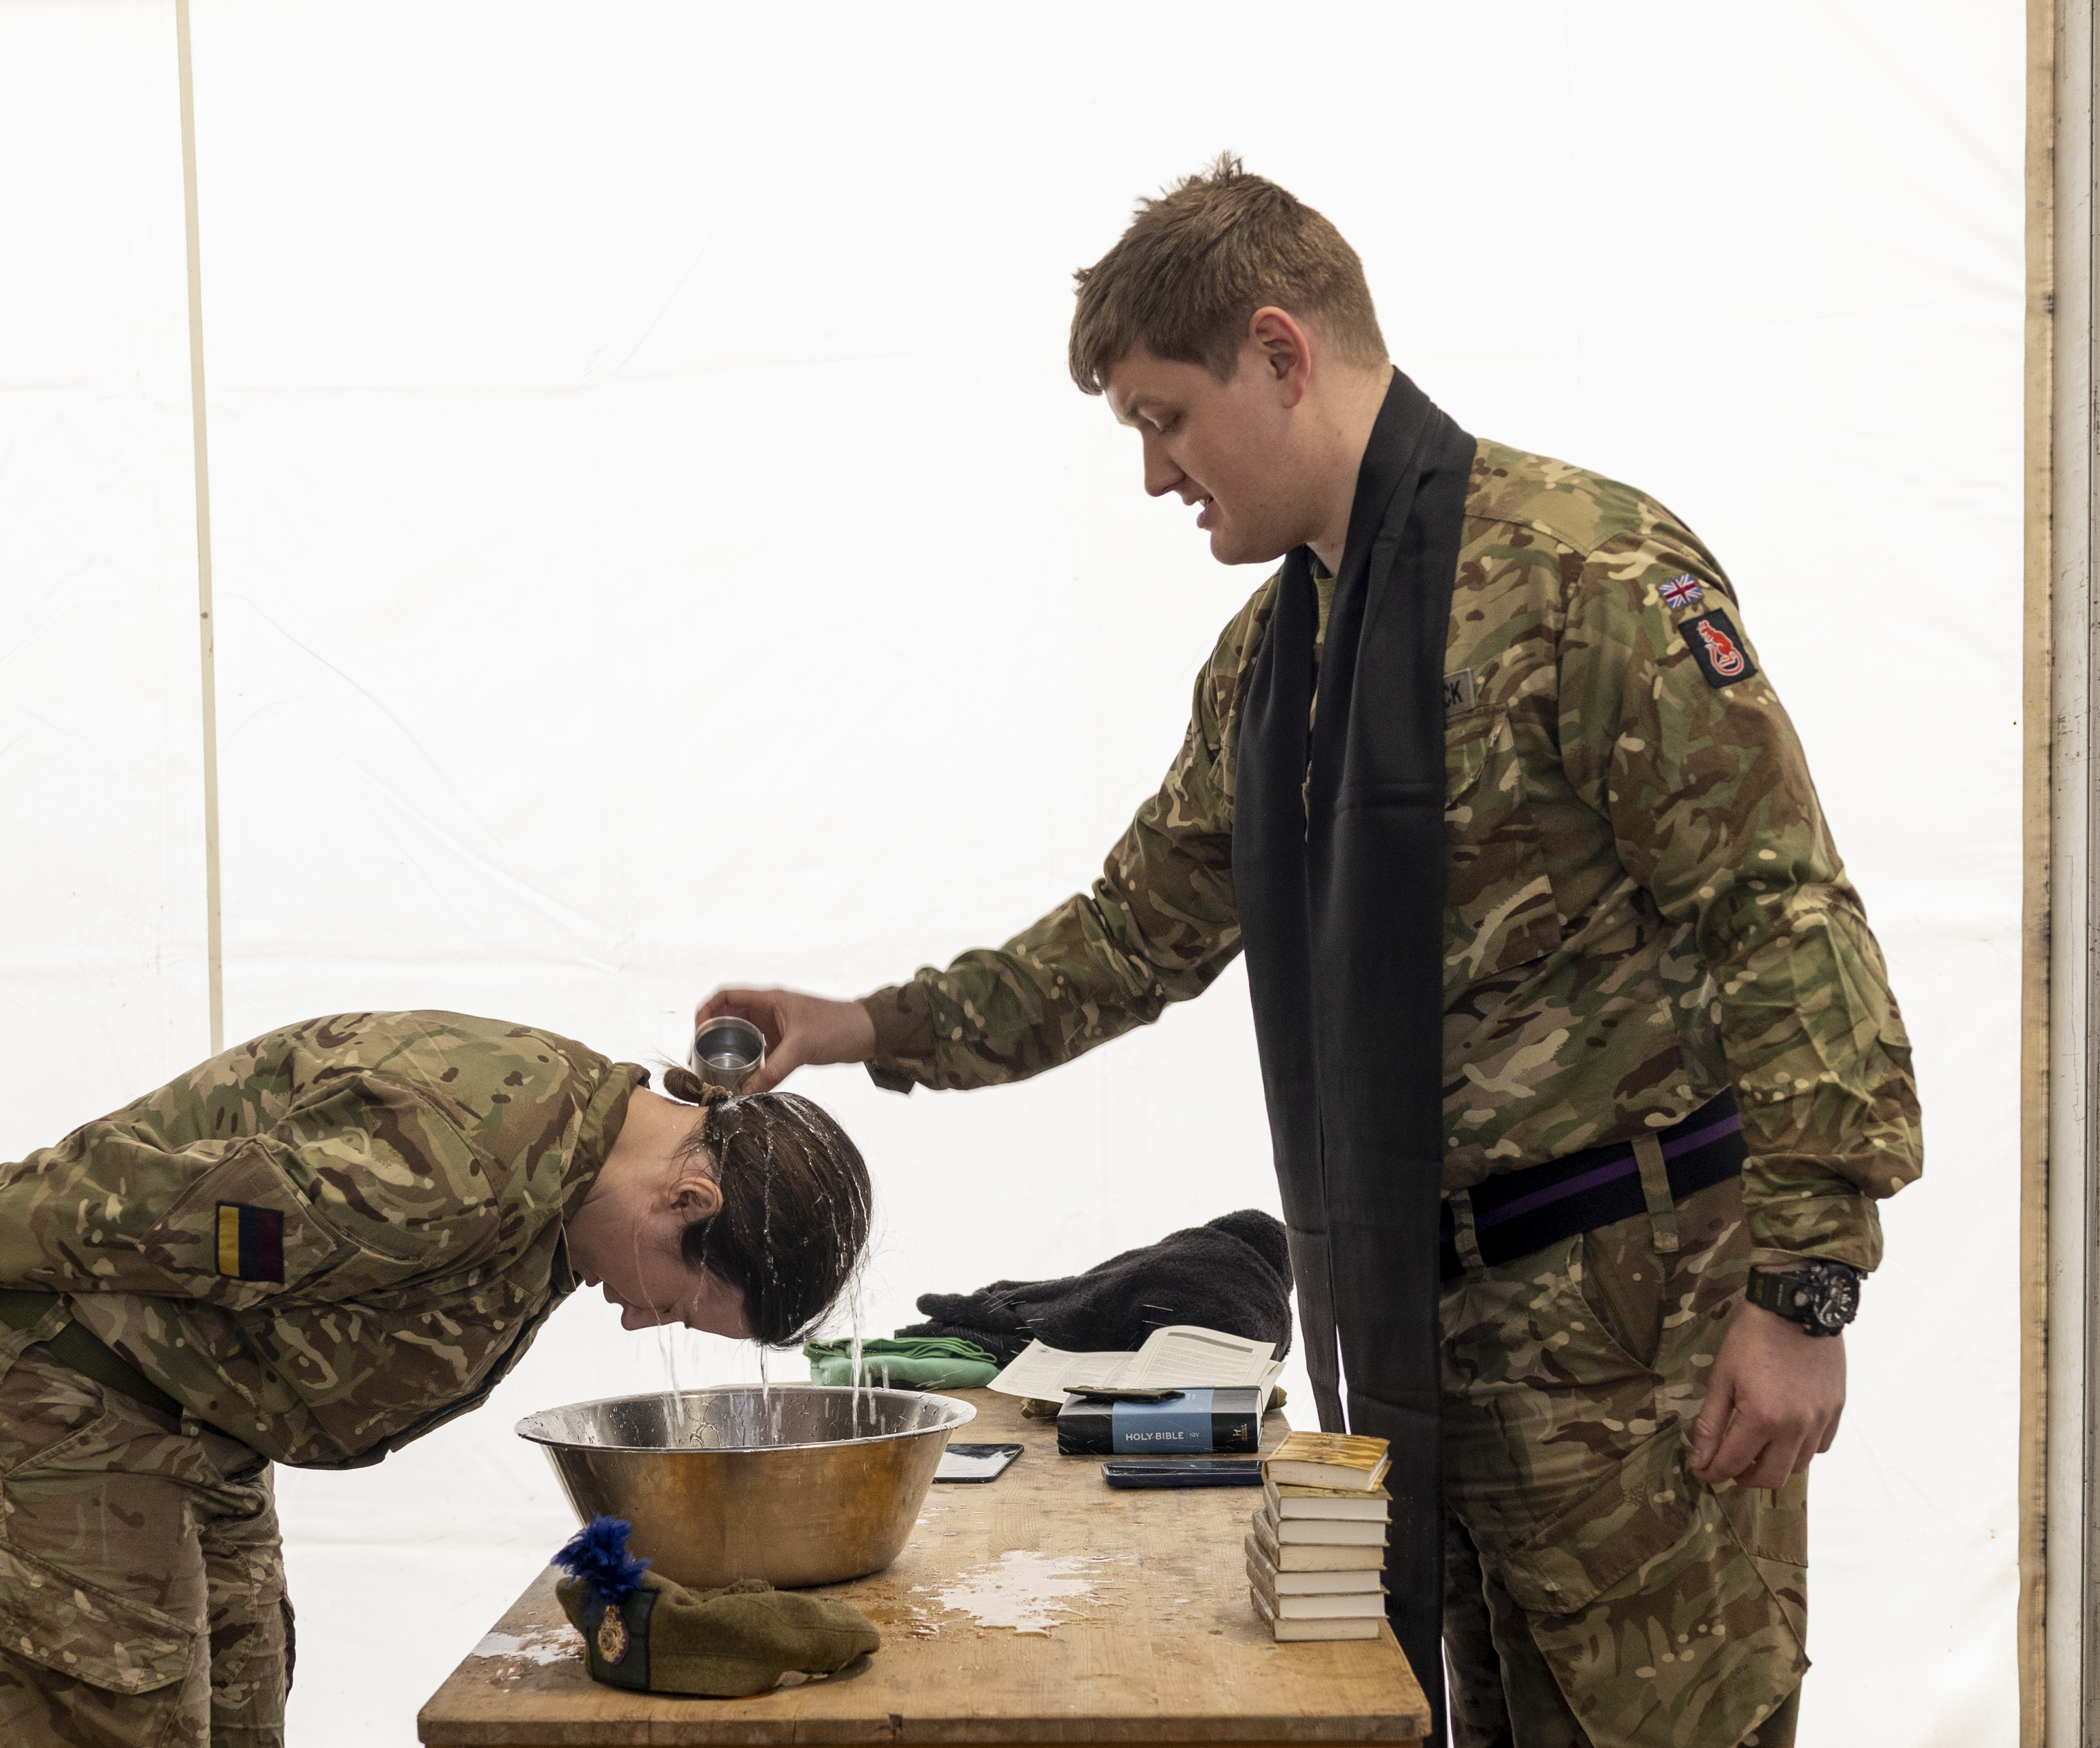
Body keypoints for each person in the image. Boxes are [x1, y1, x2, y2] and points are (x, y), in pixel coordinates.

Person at [698, 158, 1919, 1748]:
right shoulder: (1272, 665)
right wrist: (856, 1024)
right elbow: (1130, 934)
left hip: (1637, 1362)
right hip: (1418, 1356)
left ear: (1278, 353)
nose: (1152, 475)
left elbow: (1780, 918)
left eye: (1162, 417)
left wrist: (1802, 1294)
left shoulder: (1584, 578)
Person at [0, 1008, 871, 1747]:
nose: (641, 1317)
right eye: (677, 1301)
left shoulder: (583, 1166)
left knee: (237, 1715)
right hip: (49, 1414)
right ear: (688, 1195)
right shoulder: (440, 1168)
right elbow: (131, 1206)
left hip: (193, 1432)